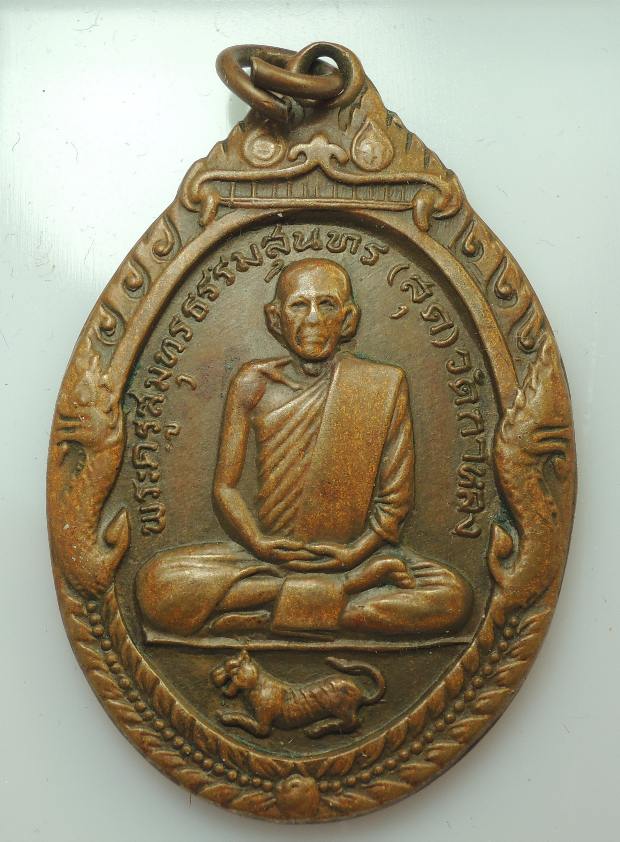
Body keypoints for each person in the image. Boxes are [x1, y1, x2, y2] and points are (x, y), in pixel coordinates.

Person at [136, 257, 472, 638]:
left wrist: (355, 554)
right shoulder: (253, 383)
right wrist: (259, 543)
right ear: (275, 318)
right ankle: (339, 598)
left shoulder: (382, 385)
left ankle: (273, 611)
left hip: (357, 556)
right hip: (265, 560)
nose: (313, 319)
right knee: (156, 586)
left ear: (348, 320)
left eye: (327, 305)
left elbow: (395, 502)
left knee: (453, 598)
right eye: (299, 305)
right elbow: (225, 488)